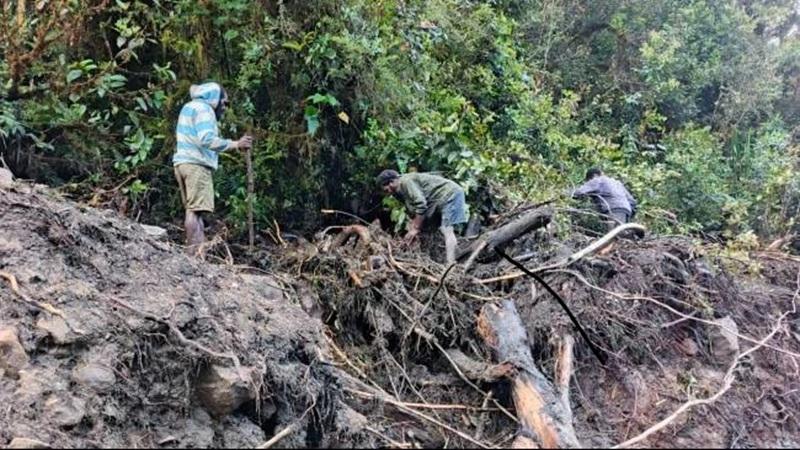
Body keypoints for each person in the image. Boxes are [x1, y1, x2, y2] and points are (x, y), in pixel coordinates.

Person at [173, 82, 252, 255]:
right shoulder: (205, 109)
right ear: (214, 98)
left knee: (192, 210)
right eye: (224, 102)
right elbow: (207, 139)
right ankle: (194, 255)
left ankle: (198, 253)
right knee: (195, 212)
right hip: (196, 165)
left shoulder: (189, 107)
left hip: (182, 163)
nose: (224, 107)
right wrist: (235, 144)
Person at [377, 170, 467, 265]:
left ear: (391, 182)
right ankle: (435, 260)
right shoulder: (397, 192)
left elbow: (421, 204)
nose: (388, 193)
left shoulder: (406, 181)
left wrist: (415, 228)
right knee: (427, 230)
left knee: (447, 229)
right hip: (435, 201)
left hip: (450, 194)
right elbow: (412, 209)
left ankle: (451, 264)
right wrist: (411, 228)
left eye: (386, 189)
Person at [572, 167, 637, 230]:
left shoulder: (597, 180)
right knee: (620, 233)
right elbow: (632, 202)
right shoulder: (617, 183)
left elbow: (578, 192)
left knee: (614, 234)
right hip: (626, 210)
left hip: (613, 209)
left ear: (594, 175)